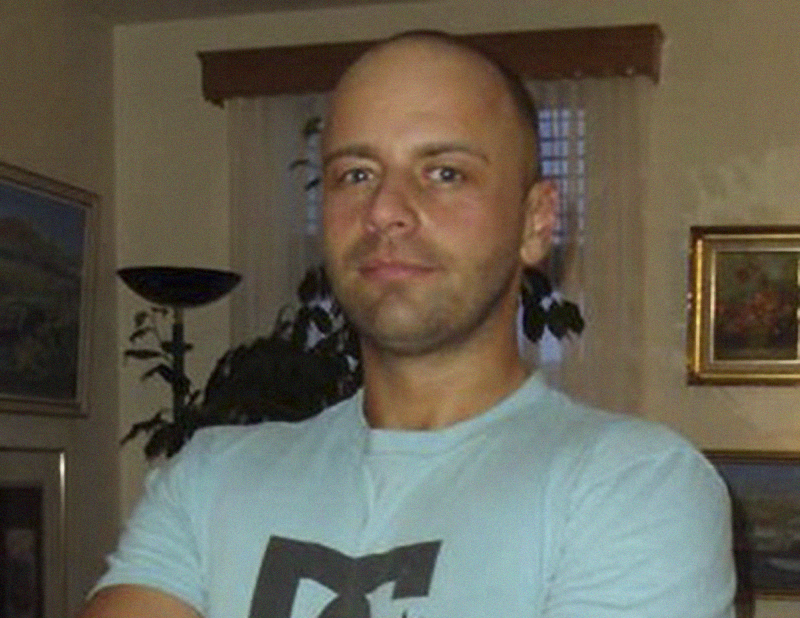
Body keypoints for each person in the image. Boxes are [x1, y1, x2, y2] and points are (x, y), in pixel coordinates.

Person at [78, 31, 736, 618]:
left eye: (445, 173)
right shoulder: (211, 477)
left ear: (536, 221)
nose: (384, 209)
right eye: (355, 173)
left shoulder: (633, 484)